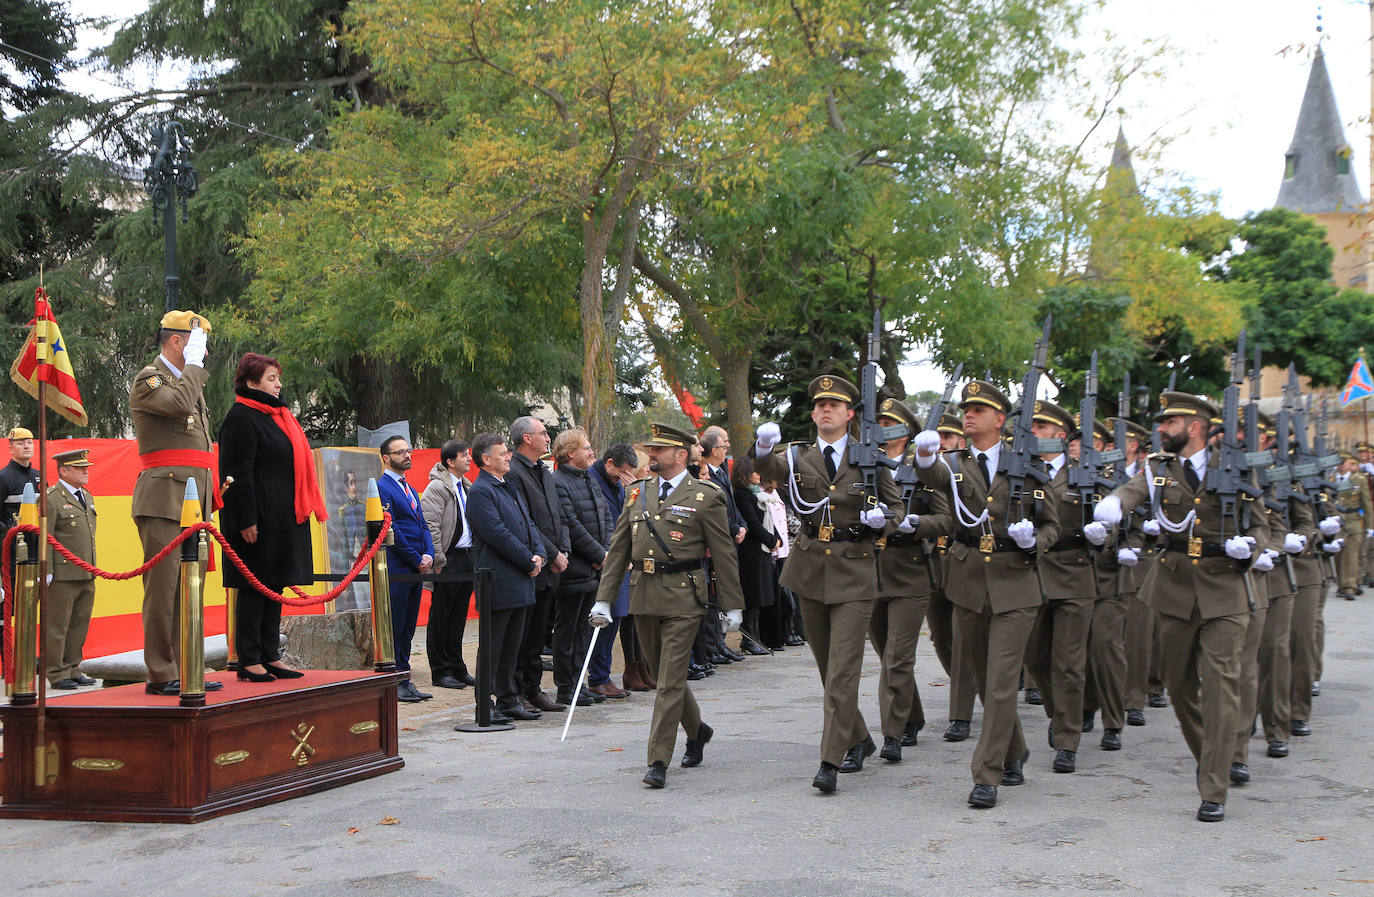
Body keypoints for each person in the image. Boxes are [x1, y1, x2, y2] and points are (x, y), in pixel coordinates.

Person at [1093, 391, 1267, 822]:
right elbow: (1133, 490)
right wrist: (1114, 504)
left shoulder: (1237, 468)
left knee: (1223, 686)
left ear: (1194, 426)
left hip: (1224, 589)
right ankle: (1213, 753)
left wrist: (1251, 547)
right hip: (1173, 589)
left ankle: (1213, 786)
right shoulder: (1158, 468)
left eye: (1169, 423)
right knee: (1177, 684)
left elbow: (1263, 527)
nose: (1161, 430)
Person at [911, 381, 1060, 809]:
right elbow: (931, 474)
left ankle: (986, 774)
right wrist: (924, 455)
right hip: (969, 583)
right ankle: (1015, 750)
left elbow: (1051, 524)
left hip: (1017, 583)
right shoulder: (954, 463)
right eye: (966, 408)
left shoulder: (1027, 465)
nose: (969, 414)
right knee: (978, 678)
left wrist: (1036, 541)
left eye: (979, 409)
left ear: (1000, 419)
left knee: (999, 684)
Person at [752, 374, 903, 794]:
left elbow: (895, 506)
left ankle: (830, 760)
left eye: (834, 404)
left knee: (842, 673)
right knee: (826, 667)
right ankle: (858, 737)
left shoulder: (869, 457)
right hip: (811, 569)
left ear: (850, 413)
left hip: (855, 570)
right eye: (819, 404)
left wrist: (882, 522)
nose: (825, 410)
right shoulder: (799, 456)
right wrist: (762, 448)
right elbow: (769, 469)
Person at [590, 423, 744, 788]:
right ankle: (698, 730)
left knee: (670, 680)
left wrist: (732, 604)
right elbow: (618, 552)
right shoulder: (637, 493)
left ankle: (657, 760)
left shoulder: (706, 495)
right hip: (644, 594)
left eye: (659, 450)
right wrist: (603, 599)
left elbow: (724, 554)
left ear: (680, 455)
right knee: (664, 676)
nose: (652, 455)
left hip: (683, 597)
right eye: (651, 449)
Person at [218, 353, 327, 684]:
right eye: (270, 379)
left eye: (278, 378)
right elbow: (238, 473)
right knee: (255, 586)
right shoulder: (242, 417)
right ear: (251, 383)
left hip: (282, 516)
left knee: (274, 584)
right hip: (257, 518)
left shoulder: (278, 416)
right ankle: (248, 658)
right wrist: (246, 518)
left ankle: (270, 654)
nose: (278, 384)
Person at [129, 311, 222, 696]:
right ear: (176, 342)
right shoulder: (149, 380)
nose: (203, 354)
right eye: (197, 344)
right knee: (163, 590)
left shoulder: (185, 381)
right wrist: (196, 365)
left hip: (192, 499)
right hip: (163, 498)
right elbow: (182, 406)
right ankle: (161, 671)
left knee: (190, 587)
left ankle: (188, 666)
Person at [1025, 402, 1104, 776]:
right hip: (1033, 573)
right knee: (1036, 658)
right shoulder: (1024, 474)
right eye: (1032, 426)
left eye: (1041, 427)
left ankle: (1067, 739)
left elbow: (1107, 519)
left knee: (1069, 663)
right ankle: (1061, 712)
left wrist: (1104, 534)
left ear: (1060, 435)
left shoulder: (1085, 476)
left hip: (1074, 575)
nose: (1034, 432)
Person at [869, 397, 943, 761]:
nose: (882, 428)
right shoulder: (864, 464)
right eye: (878, 422)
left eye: (888, 423)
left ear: (905, 431)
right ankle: (911, 715)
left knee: (898, 657)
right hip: (870, 569)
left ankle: (892, 734)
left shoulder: (927, 469)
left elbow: (948, 520)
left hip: (911, 570)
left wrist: (919, 524)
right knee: (886, 654)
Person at [465, 433, 546, 723]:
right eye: (502, 454)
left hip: (521, 577)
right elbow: (496, 533)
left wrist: (539, 554)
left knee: (514, 643)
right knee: (493, 644)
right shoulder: (480, 492)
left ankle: (509, 699)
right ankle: (485, 704)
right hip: (498, 578)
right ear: (486, 459)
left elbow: (529, 525)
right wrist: (528, 560)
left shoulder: (508, 486)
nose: (509, 457)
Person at [506, 416, 573, 713]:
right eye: (543, 433)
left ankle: (533, 689)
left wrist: (564, 550)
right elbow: (526, 522)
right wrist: (551, 552)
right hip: (531, 564)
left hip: (553, 563)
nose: (548, 438)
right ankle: (517, 690)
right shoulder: (513, 473)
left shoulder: (544, 471)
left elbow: (558, 516)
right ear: (526, 439)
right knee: (523, 634)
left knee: (538, 634)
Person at [552, 427, 617, 700]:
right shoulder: (558, 482)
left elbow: (606, 517)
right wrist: (599, 555)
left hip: (595, 567)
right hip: (576, 569)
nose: (592, 453)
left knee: (584, 631)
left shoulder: (589, 479)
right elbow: (572, 525)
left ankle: (581, 683)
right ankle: (567, 687)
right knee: (568, 631)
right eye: (586, 448)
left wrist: (608, 551)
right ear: (570, 454)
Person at [926, 411, 978, 742]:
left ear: (961, 440)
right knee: (940, 635)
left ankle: (960, 713)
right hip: (933, 559)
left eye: (948, 437)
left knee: (963, 638)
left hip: (963, 557)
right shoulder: (925, 469)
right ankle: (967, 682)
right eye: (938, 436)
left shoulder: (968, 469)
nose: (942, 442)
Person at [376, 434, 435, 703]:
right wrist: (415, 558)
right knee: (397, 625)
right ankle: (395, 680)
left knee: (409, 626)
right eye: (400, 452)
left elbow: (422, 524)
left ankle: (405, 677)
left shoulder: (408, 487)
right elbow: (390, 528)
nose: (407, 456)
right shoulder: (382, 486)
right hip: (399, 566)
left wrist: (429, 554)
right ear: (386, 458)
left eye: (408, 450)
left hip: (415, 565)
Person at [585, 443, 645, 693]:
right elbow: (602, 520)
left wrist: (631, 491)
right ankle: (598, 678)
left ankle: (604, 676)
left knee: (618, 616)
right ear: (609, 463)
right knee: (603, 621)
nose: (624, 477)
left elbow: (629, 516)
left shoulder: (618, 484)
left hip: (621, 559)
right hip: (602, 559)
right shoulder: (594, 481)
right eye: (622, 472)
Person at [420, 438, 476, 690]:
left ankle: (456, 666)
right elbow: (430, 526)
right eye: (464, 455)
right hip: (448, 559)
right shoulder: (437, 488)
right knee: (442, 615)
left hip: (466, 558)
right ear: (450, 461)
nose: (469, 459)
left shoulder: (466, 486)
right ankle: (440, 671)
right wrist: (439, 559)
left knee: (458, 616)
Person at [44, 449, 98, 689]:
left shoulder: (86, 496)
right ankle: (57, 673)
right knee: (58, 625)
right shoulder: (52, 497)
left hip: (85, 570)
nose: (85, 470)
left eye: (86, 466)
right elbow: (45, 535)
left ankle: (74, 667)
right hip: (62, 573)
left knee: (79, 622)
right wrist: (47, 570)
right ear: (63, 471)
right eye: (79, 467)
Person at [696, 425, 748, 667]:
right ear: (712, 449)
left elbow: (732, 507)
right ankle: (711, 646)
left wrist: (742, 525)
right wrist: (734, 528)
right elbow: (713, 512)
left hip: (729, 539)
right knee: (712, 597)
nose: (727, 447)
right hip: (715, 542)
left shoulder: (721, 472)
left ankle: (719, 643)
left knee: (721, 594)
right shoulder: (705, 473)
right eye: (723, 444)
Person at [730, 453, 777, 655]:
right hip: (751, 551)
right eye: (755, 471)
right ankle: (749, 638)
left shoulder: (756, 493)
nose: (759, 475)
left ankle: (755, 636)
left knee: (760, 597)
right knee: (753, 596)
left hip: (761, 550)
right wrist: (772, 540)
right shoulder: (742, 494)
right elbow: (752, 523)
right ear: (745, 473)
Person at [1332, 452, 1371, 600]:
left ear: (1351, 464)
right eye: (1339, 461)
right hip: (1335, 524)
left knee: (1351, 556)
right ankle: (1341, 585)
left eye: (1345, 461)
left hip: (1353, 522)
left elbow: (1366, 503)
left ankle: (1349, 587)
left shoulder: (1359, 480)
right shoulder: (1328, 478)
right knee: (1338, 557)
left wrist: (1369, 526)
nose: (1342, 464)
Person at [0, 427, 40, 530]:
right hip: (12, 539)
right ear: (11, 449)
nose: (26, 446)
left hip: (37, 538)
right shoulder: (3, 478)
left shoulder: (39, 476)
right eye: (21, 443)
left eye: (30, 442)